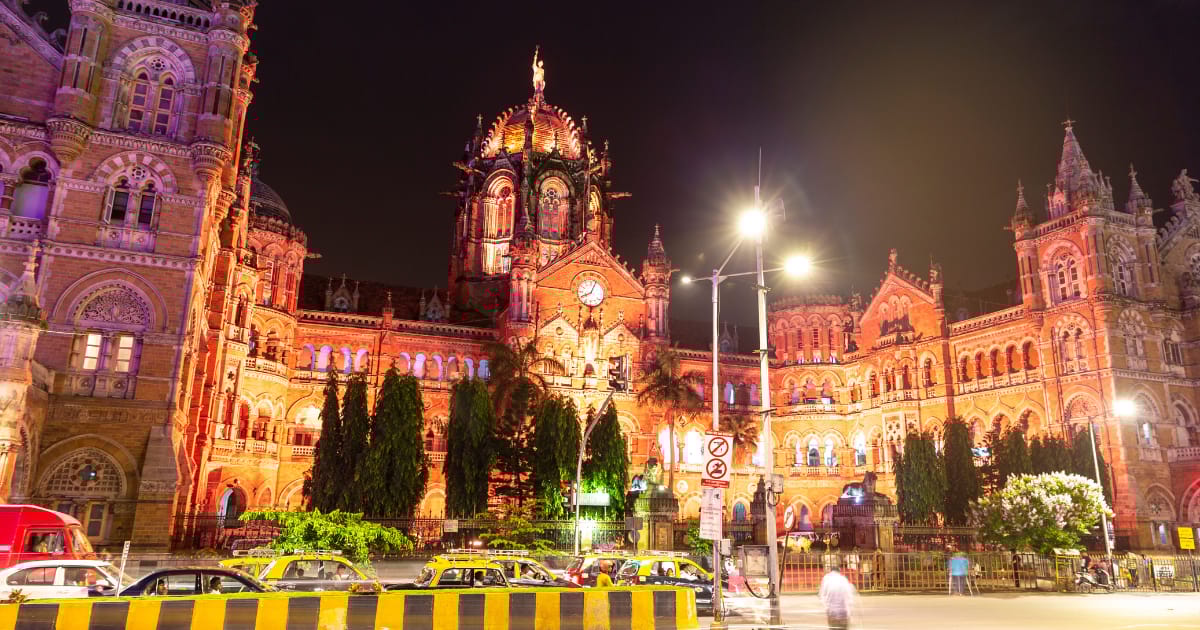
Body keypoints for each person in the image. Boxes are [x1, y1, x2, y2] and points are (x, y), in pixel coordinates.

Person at [818, 563, 856, 630]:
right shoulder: (843, 579)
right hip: (843, 612)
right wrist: (850, 613)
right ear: (839, 571)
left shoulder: (826, 578)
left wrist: (826, 608)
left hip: (832, 613)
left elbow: (822, 595)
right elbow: (849, 597)